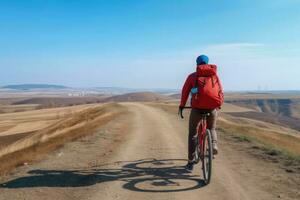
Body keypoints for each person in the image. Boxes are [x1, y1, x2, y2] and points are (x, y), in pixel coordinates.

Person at [178, 55, 224, 171]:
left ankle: (191, 162)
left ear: (197, 64)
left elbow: (185, 92)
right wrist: (218, 105)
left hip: (197, 108)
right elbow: (220, 91)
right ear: (208, 63)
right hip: (212, 108)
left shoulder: (192, 76)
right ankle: (213, 144)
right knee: (212, 128)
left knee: (192, 133)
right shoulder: (214, 75)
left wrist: (182, 106)